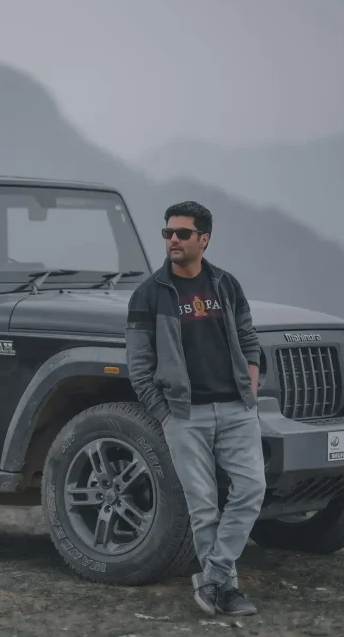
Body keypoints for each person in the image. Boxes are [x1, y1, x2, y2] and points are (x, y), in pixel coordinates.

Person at [125, 200, 265, 617]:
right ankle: (225, 591)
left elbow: (249, 340)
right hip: (185, 416)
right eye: (167, 233)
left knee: (252, 489)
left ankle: (214, 579)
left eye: (182, 233)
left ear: (203, 239)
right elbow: (138, 366)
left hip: (237, 410)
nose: (172, 240)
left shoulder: (225, 284)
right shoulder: (149, 295)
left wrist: (250, 391)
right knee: (203, 506)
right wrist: (164, 413)